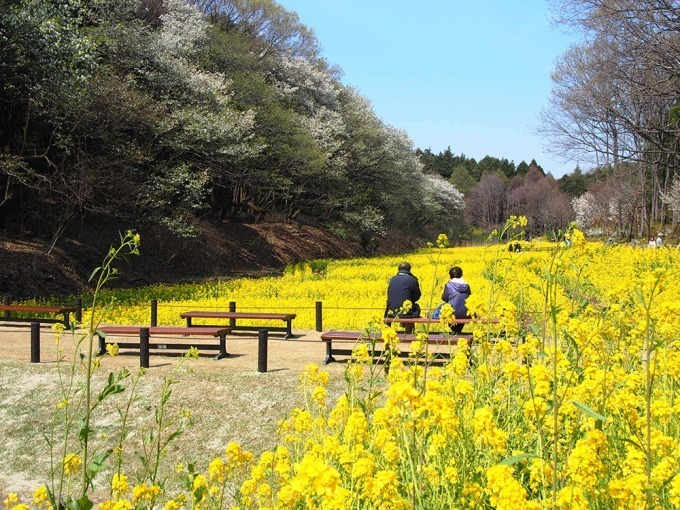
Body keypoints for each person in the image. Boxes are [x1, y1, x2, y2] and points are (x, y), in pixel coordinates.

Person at [385, 262, 422, 332]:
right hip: (406, 312)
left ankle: (388, 331)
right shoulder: (412, 280)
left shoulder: (392, 279)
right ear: (409, 270)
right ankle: (408, 333)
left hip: (390, 311)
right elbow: (417, 296)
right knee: (414, 308)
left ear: (398, 269)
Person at [441, 266, 472, 334]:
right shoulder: (467, 285)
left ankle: (456, 333)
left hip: (451, 313)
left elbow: (444, 298)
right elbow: (469, 298)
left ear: (450, 276)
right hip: (465, 313)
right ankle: (458, 332)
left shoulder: (448, 285)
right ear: (461, 275)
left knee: (444, 310)